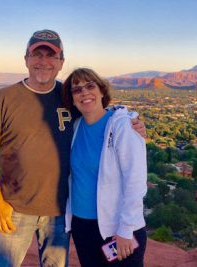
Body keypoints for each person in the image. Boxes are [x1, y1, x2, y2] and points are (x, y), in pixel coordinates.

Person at [0, 30, 146, 267]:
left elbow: (98, 112)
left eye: (51, 56)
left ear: (60, 63)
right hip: (16, 209)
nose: (43, 62)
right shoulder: (5, 98)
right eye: (37, 54)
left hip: (59, 212)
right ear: (26, 58)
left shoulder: (66, 97)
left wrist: (131, 121)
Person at [63, 68, 147, 267]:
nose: (84, 93)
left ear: (102, 91)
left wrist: (126, 229)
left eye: (90, 86)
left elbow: (135, 181)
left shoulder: (122, 126)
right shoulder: (74, 128)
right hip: (83, 227)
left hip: (116, 229)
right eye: (77, 90)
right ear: (72, 99)